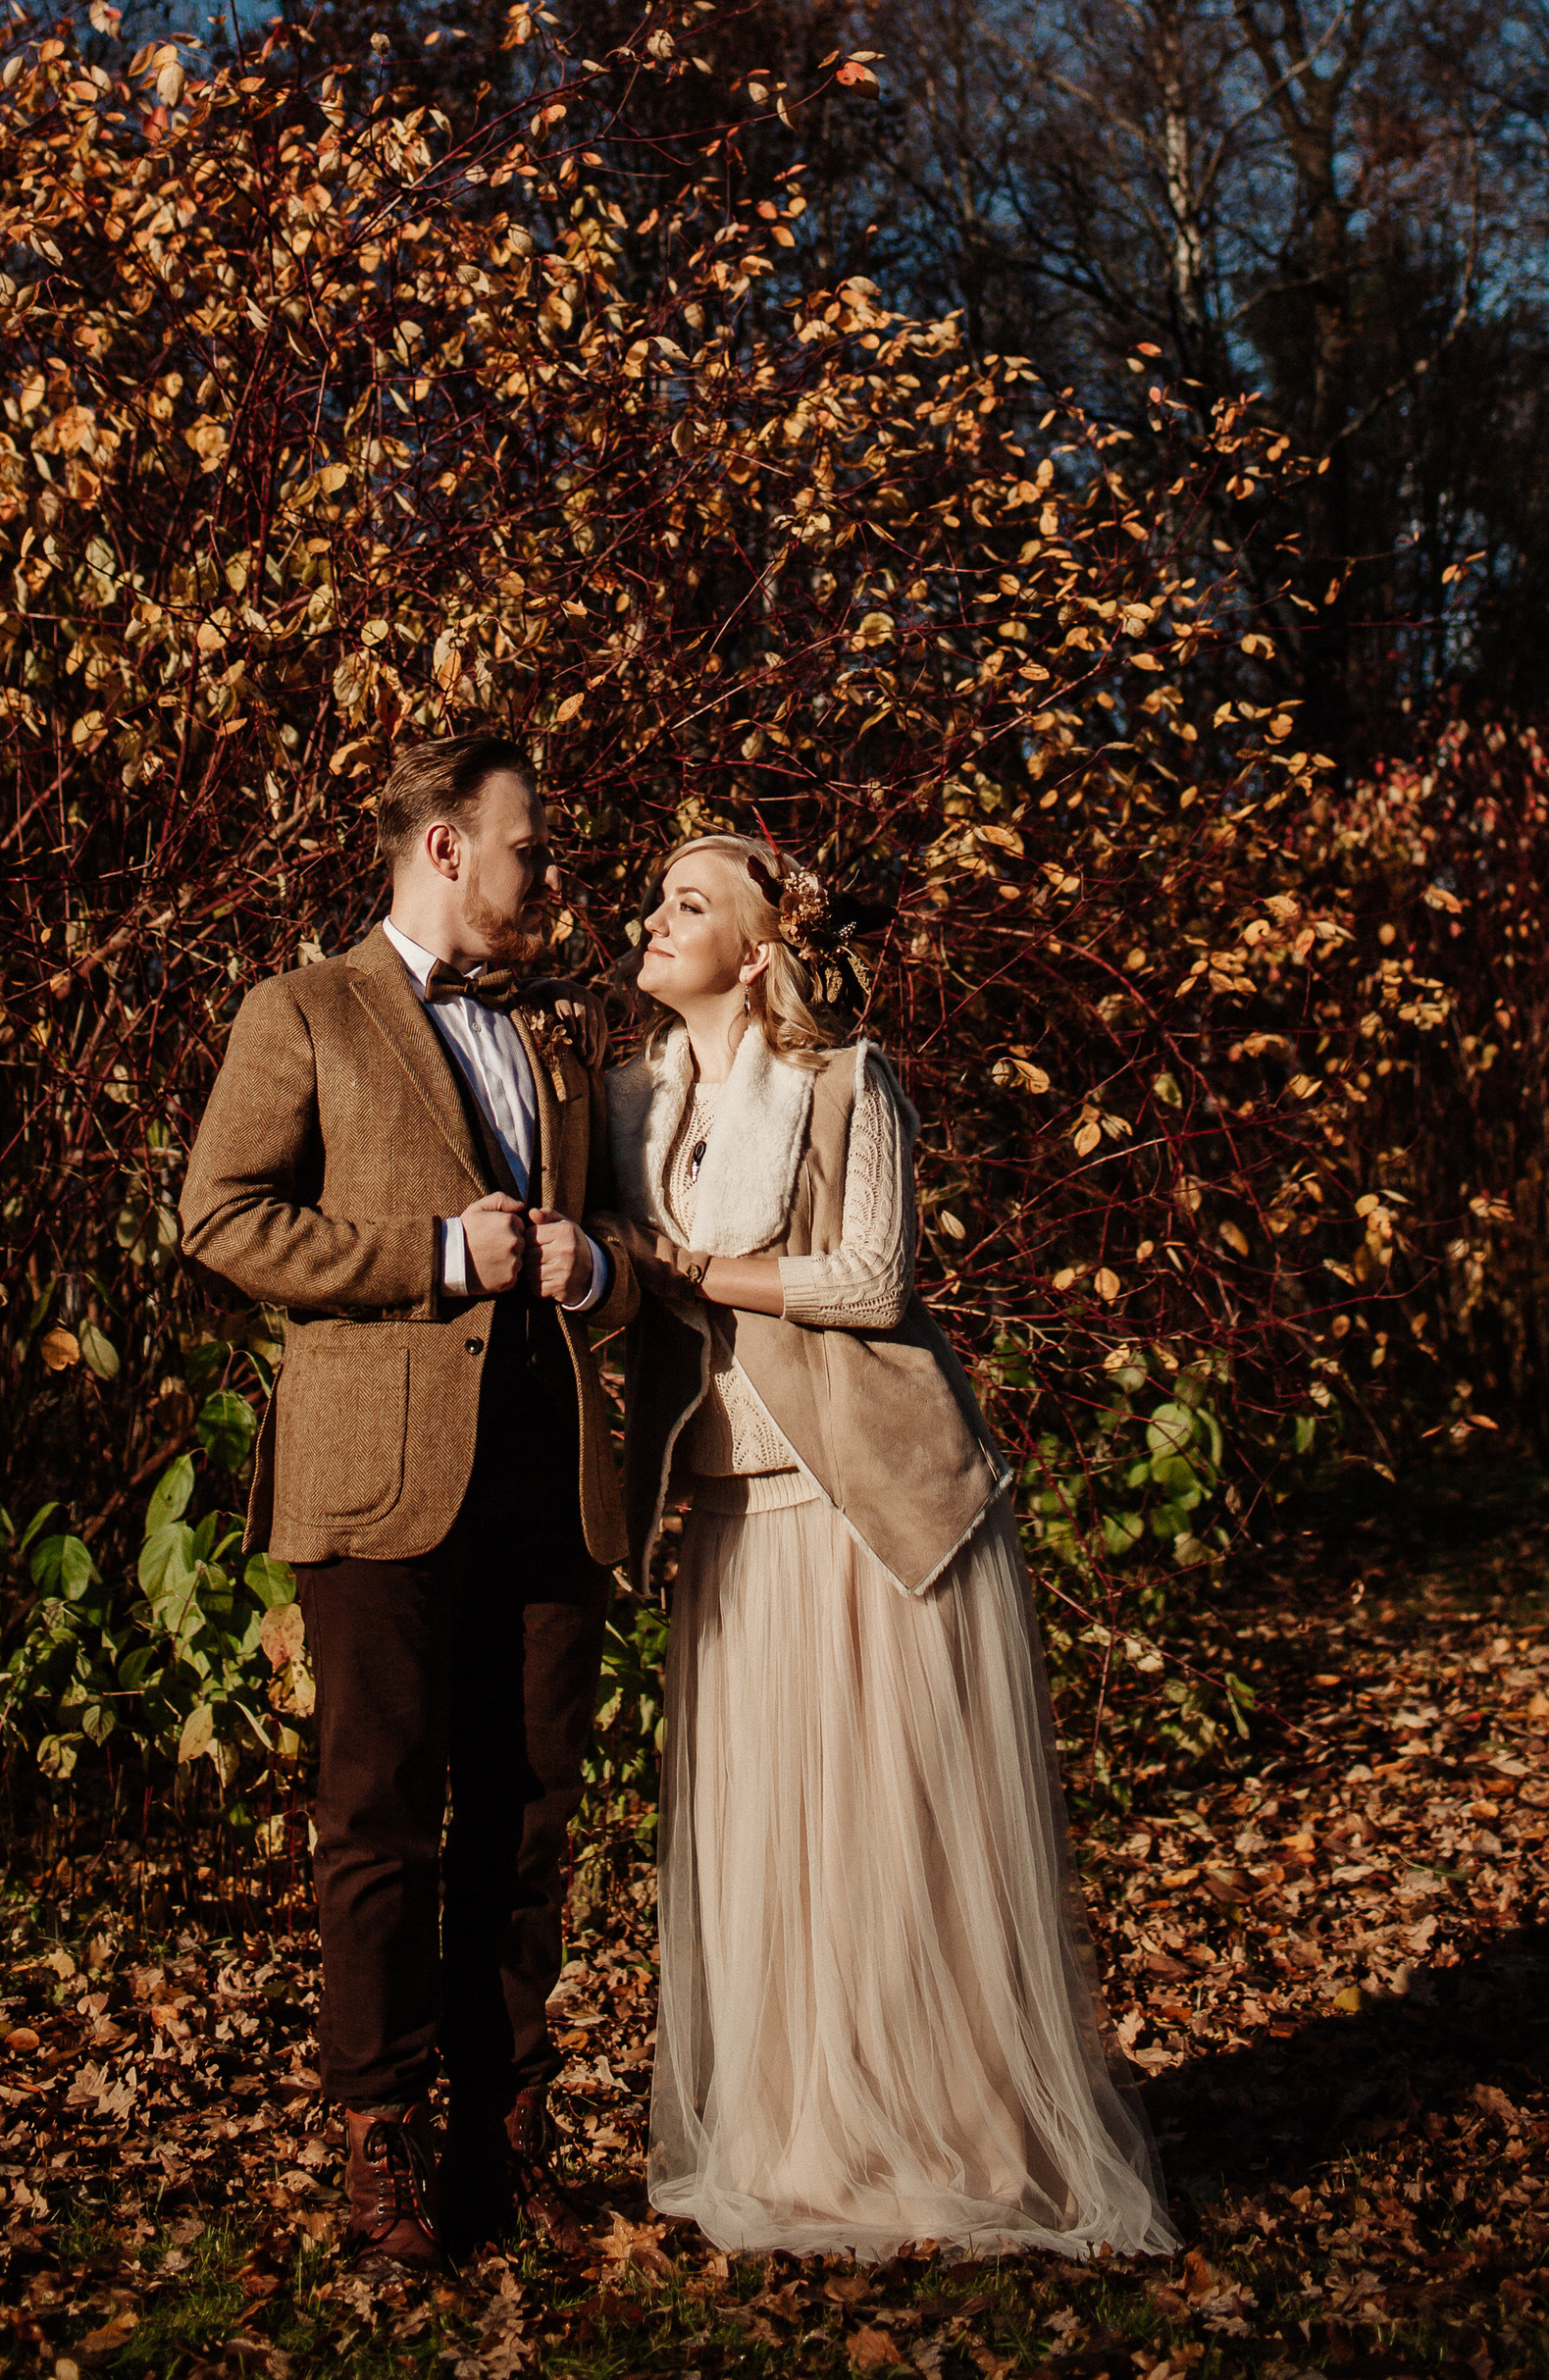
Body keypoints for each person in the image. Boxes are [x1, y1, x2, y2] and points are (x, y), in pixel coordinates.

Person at [604, 832, 1174, 2262]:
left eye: (691, 903)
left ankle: (957, 2135)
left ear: (757, 949)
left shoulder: (847, 1085)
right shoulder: (631, 1104)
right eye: (655, 897)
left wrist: (683, 1269)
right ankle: (809, 2138)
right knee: (776, 1839)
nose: (653, 917)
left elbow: (870, 1281)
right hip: (731, 1507)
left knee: (887, 1833)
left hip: (874, 1511)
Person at [180, 731, 636, 2272]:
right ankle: (381, 2144)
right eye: (532, 848)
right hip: (371, 1482)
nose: (552, 876)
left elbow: (627, 1236)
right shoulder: (299, 1011)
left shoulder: (562, 1031)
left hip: (550, 1473)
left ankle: (505, 2141)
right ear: (445, 848)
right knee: (377, 1823)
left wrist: (601, 1267)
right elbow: (221, 1216)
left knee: (529, 1822)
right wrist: (438, 1255)